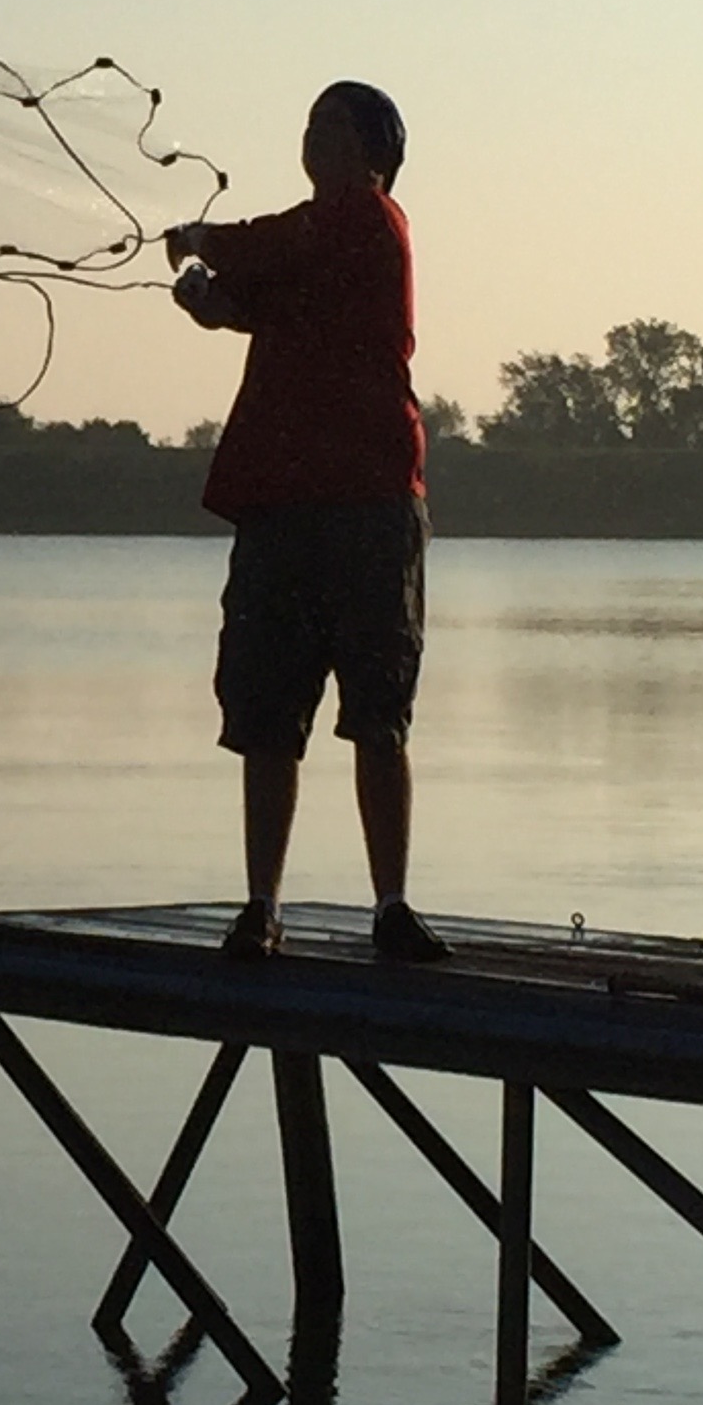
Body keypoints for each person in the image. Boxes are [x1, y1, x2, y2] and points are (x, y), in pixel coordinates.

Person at [164, 81, 446, 963]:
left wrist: (206, 242)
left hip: (367, 503)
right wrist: (211, 299)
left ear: (375, 157)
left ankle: (390, 906)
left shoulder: (369, 222)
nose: (315, 139)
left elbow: (277, 246)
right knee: (266, 713)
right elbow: (261, 300)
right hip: (283, 505)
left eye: (334, 128)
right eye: (310, 126)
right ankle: (261, 907)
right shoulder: (311, 250)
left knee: (378, 711)